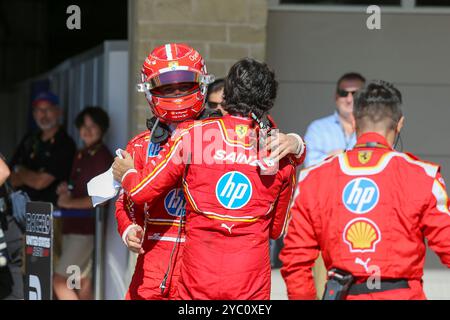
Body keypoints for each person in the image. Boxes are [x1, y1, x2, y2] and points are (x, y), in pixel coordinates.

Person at [114, 45, 305, 300]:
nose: (178, 93)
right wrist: (128, 229)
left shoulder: (200, 135)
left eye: (185, 86)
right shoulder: (142, 144)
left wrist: (295, 142)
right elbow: (124, 201)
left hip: (196, 272)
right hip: (157, 270)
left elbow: (136, 188)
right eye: (167, 88)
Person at [280, 80, 450, 300]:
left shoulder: (314, 178)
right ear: (399, 124)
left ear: (354, 120)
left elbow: (295, 259)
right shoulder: (423, 176)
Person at [303, 72, 365, 297]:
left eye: (355, 93)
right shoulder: (318, 128)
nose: (349, 98)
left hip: (364, 220)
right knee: (322, 290)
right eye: (343, 93)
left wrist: (337, 157)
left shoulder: (375, 129)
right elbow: (310, 168)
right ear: (335, 96)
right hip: (325, 221)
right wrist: (353, 159)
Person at [53, 107, 112, 300]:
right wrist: (65, 190)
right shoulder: (81, 154)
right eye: (83, 126)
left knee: (60, 281)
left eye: (93, 125)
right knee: (79, 282)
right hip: (73, 228)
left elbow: (101, 200)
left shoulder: (102, 156)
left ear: (102, 129)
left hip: (85, 232)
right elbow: (76, 188)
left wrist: (69, 203)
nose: (87, 130)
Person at [9, 91, 76, 205]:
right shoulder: (29, 139)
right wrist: (29, 176)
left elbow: (39, 183)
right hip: (21, 209)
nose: (43, 114)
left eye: (48, 109)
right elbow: (10, 178)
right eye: (39, 110)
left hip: (49, 213)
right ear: (34, 114)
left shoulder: (65, 143)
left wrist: (20, 171)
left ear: (58, 112)